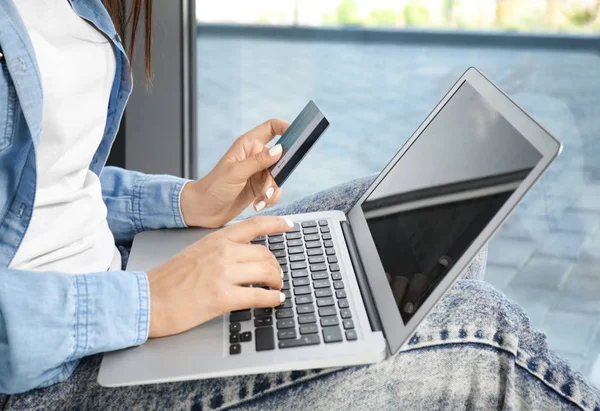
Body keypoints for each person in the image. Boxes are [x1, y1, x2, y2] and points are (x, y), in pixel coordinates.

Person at [0, 1, 598, 410]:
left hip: (117, 276)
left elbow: (48, 183)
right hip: (60, 372)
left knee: (406, 222)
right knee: (483, 334)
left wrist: (189, 201)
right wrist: (152, 301)